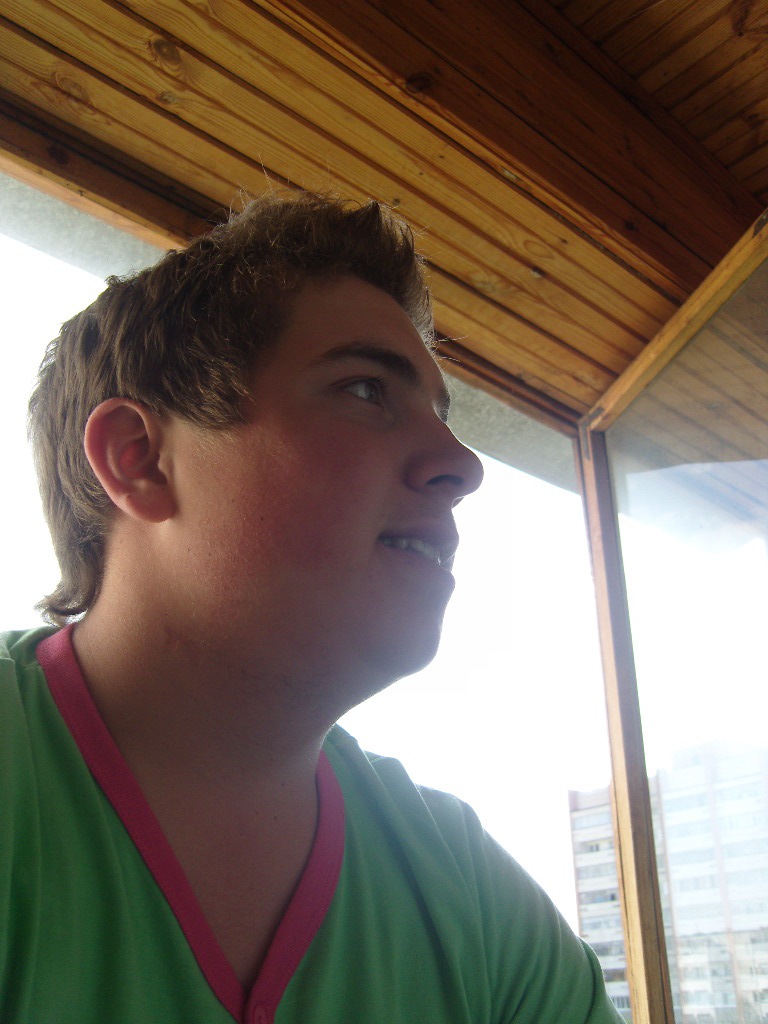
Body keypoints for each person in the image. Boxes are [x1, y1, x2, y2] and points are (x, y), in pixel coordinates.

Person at [1, 191, 625, 1022]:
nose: (462, 464)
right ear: (139, 459)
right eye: (365, 390)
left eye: (440, 415)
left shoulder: (470, 898)